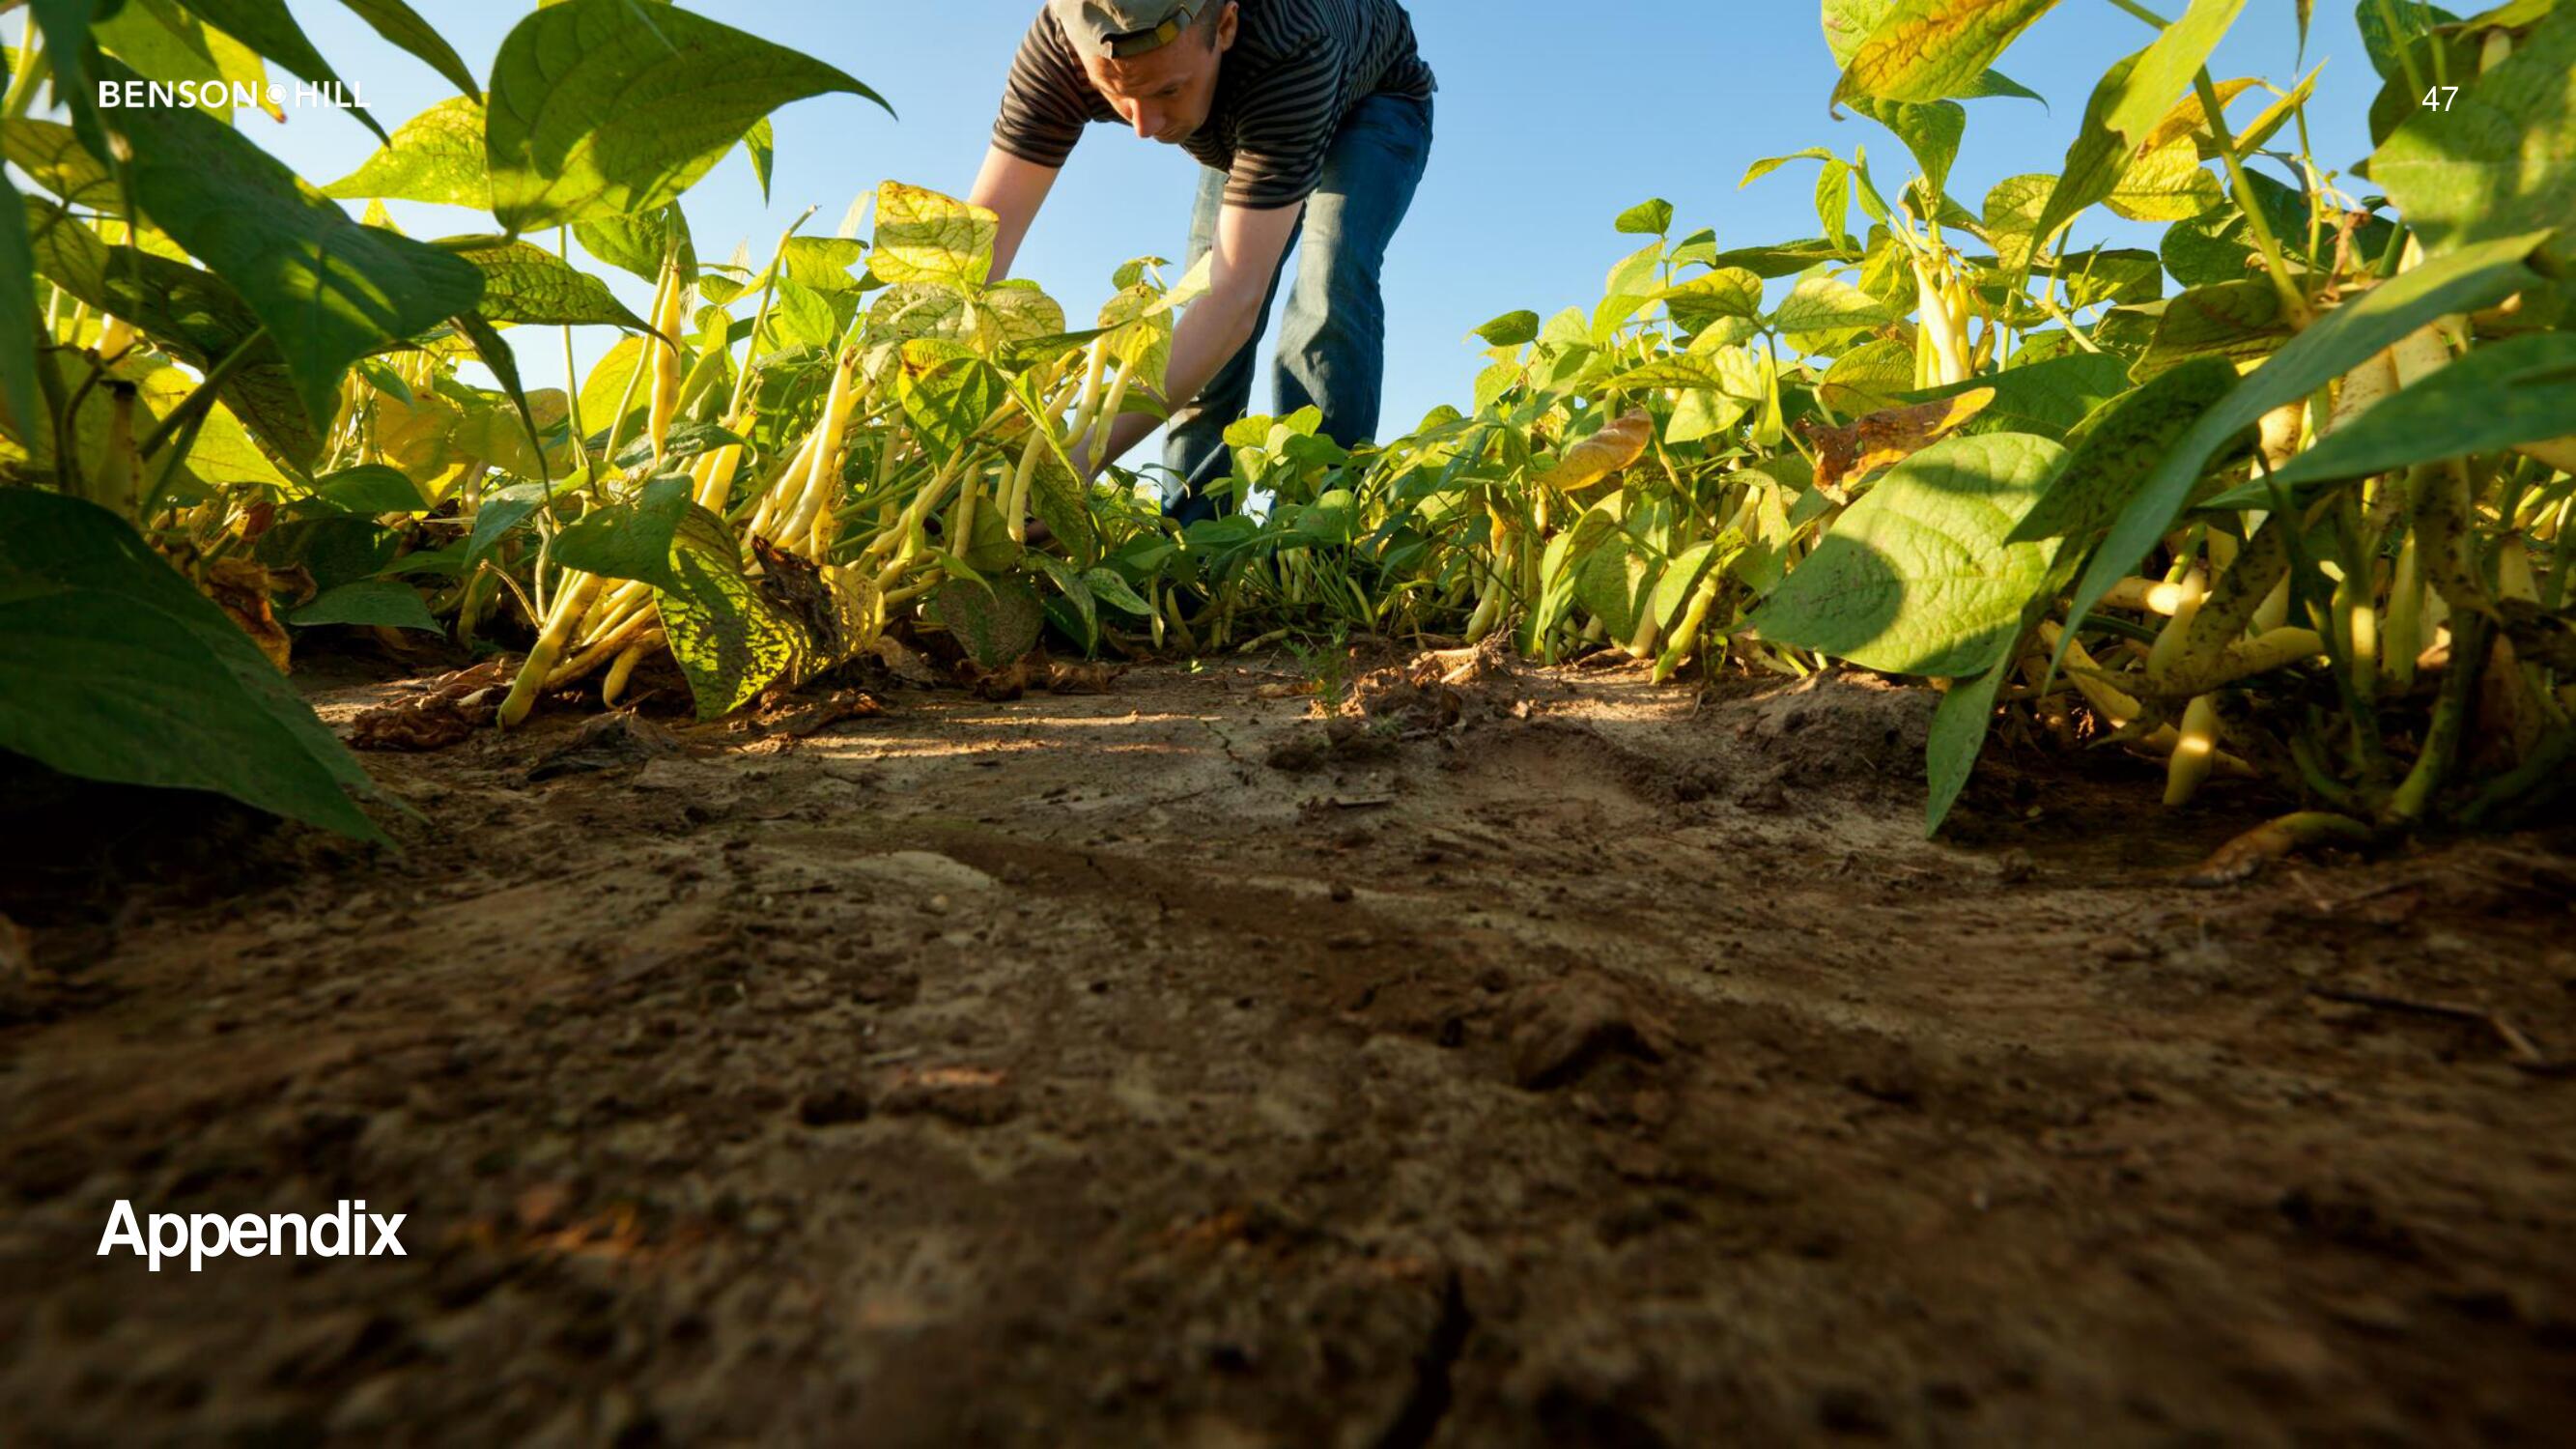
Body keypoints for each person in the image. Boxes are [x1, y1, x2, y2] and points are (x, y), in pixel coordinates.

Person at [969, 0, 1435, 523]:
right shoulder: (1061, 43)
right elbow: (980, 242)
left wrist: (1076, 460)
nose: (1145, 126)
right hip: (1238, 119)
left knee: (1329, 279)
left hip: (1369, 102)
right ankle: (1190, 541)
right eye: (1117, 93)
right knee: (1198, 323)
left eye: (1168, 89)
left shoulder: (1291, 43)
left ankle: (1315, 532)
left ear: (1227, 25)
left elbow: (1235, 296)